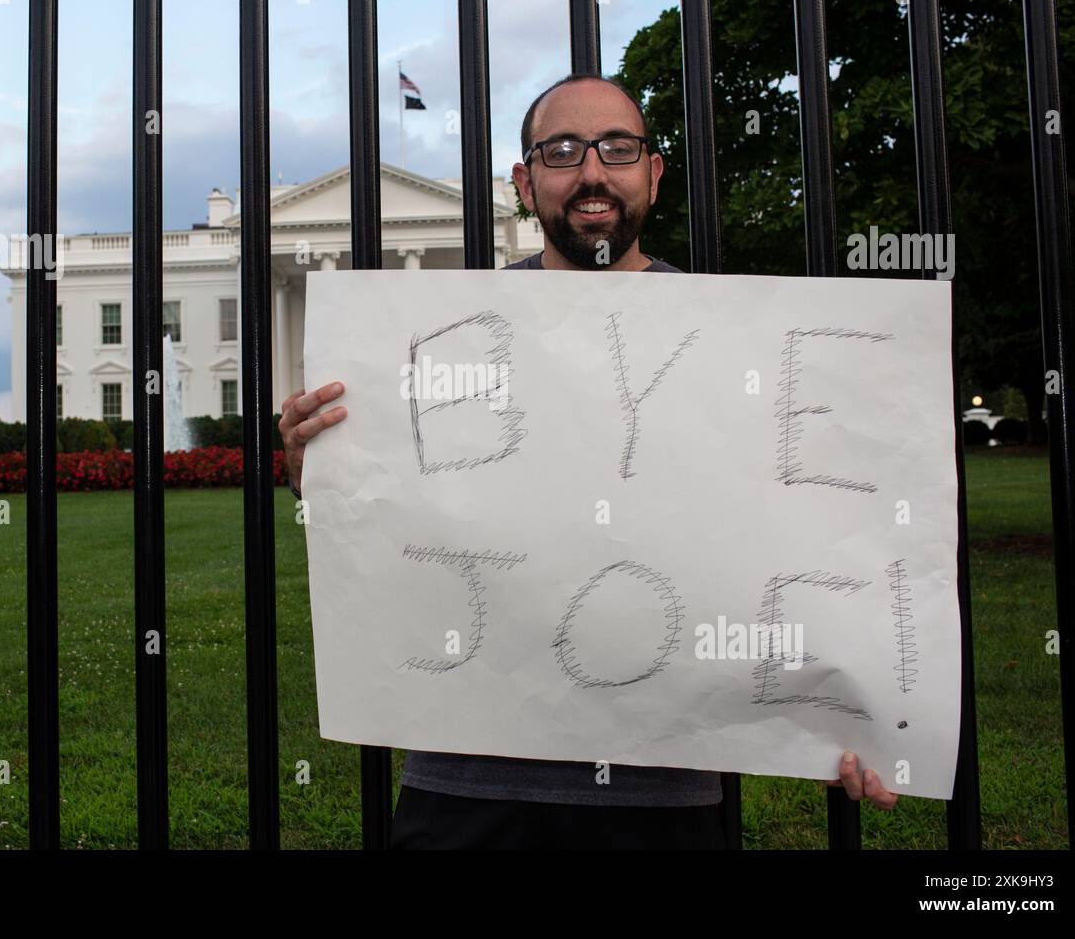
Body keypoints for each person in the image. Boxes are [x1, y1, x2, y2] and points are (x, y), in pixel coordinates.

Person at [279, 74, 899, 849]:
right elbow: (402, 527)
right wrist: (324, 475)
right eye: (563, 151)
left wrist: (829, 717)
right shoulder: (439, 332)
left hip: (664, 791)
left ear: (653, 172)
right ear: (525, 182)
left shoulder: (734, 340)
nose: (593, 172)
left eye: (618, 148)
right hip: (466, 779)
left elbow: (790, 540)